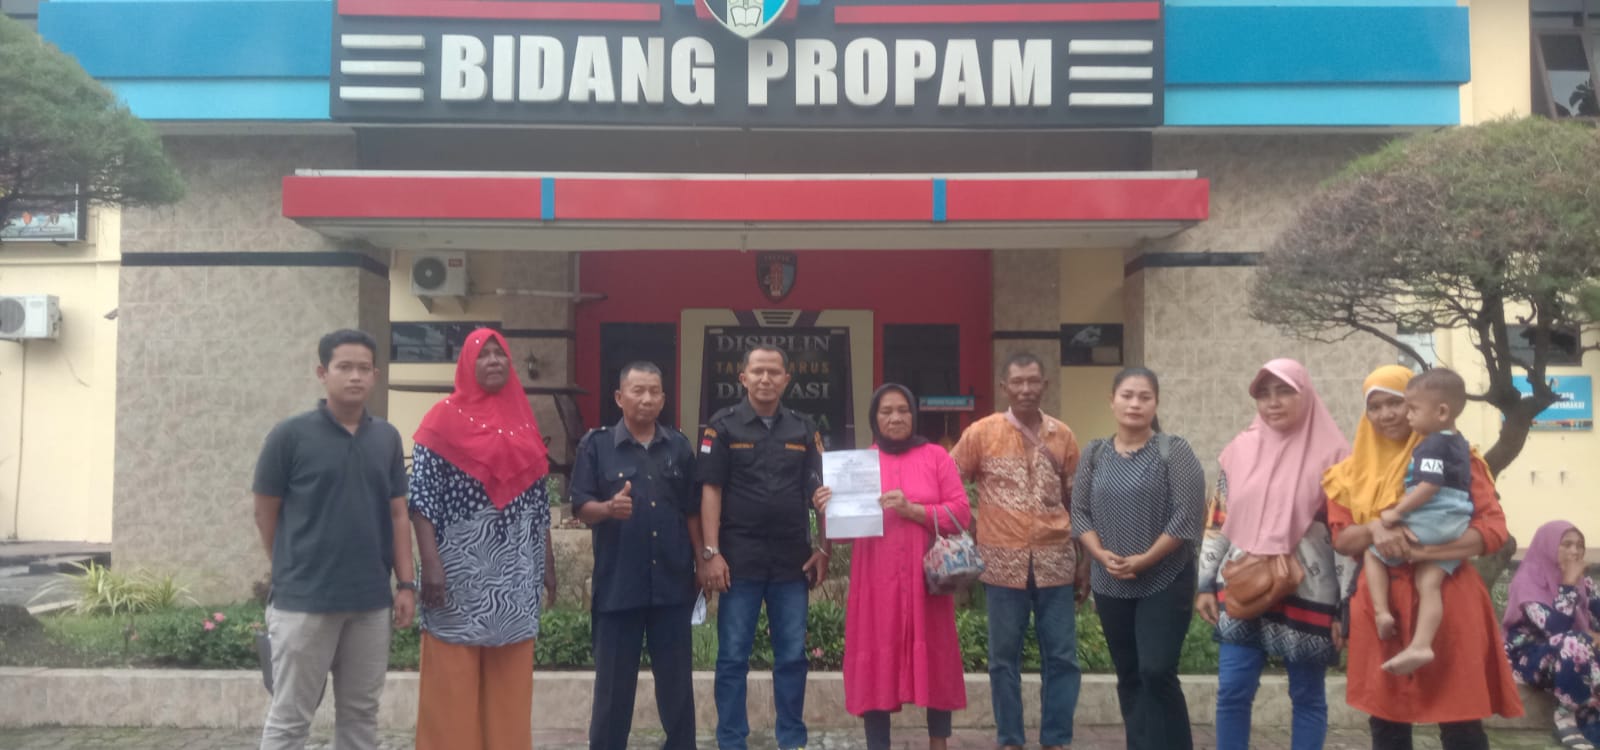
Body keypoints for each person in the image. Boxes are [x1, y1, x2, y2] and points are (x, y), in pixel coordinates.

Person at [1325, 364, 1522, 750]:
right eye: (1375, 406)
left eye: (1396, 403)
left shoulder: (1458, 458)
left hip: (1448, 598)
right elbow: (1343, 539)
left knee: (1461, 719)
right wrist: (1376, 529)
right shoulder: (1348, 475)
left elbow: (1493, 529)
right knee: (1386, 720)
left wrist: (1428, 551)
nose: (1386, 414)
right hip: (1382, 607)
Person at [252, 329, 415, 750]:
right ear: (323, 373)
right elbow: (265, 512)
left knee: (361, 716)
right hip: (304, 602)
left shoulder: (387, 438)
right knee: (290, 717)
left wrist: (406, 584)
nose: (355, 376)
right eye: (344, 367)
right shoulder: (290, 436)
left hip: (370, 603)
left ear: (375, 375)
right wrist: (288, 565)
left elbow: (398, 514)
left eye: (364, 368)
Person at [408, 329, 555, 750]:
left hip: (515, 573)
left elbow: (538, 502)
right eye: (483, 354)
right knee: (451, 685)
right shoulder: (440, 420)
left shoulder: (523, 421)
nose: (493, 360)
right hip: (458, 571)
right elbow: (421, 500)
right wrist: (430, 565)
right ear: (466, 365)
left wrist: (547, 564)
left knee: (510, 686)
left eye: (500, 353)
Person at [1195, 358, 1350, 750]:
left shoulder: (1336, 458)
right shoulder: (1240, 451)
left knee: (1307, 695)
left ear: (1306, 395)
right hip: (1243, 583)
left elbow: (1344, 539)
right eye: (1263, 394)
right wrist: (1205, 584)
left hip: (1310, 590)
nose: (1273, 402)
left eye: (1284, 392)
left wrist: (1345, 607)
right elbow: (1218, 521)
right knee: (1233, 689)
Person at [697, 345, 830, 750]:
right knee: (732, 657)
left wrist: (824, 547)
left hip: (792, 562)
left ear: (787, 379)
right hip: (739, 560)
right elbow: (711, 489)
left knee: (791, 657)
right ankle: (731, 740)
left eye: (774, 372)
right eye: (758, 371)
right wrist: (711, 553)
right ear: (743, 378)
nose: (766, 378)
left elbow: (823, 491)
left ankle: (792, 739)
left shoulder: (804, 428)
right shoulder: (722, 426)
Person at [949, 352, 1084, 750]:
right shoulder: (982, 433)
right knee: (1003, 659)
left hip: (1056, 562)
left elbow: (1078, 503)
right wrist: (971, 524)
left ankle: (1055, 739)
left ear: (1045, 385)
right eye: (1018, 382)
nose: (1026, 389)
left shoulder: (1063, 436)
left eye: (1033, 381)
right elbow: (950, 479)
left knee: (1062, 658)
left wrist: (1086, 562)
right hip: (1000, 564)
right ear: (1004, 387)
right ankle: (1010, 739)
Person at [1071, 367, 1206, 750]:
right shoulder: (1094, 453)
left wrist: (1145, 559)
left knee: (1157, 670)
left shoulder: (1174, 451)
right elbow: (1079, 512)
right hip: (1110, 580)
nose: (1135, 404)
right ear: (1111, 401)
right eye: (1127, 396)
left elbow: (1186, 516)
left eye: (1144, 397)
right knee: (1129, 674)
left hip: (1165, 578)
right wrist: (1099, 554)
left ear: (1156, 403)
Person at [829, 384, 969, 750]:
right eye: (886, 411)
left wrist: (914, 511)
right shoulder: (859, 465)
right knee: (875, 663)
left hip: (927, 583)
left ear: (914, 415)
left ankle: (938, 742)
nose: (895, 418)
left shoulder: (936, 457)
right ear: (874, 418)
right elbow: (841, 535)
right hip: (875, 583)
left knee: (936, 658)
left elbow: (961, 514)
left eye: (903, 410)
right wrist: (827, 506)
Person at [572, 361, 701, 750]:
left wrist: (702, 560)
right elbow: (581, 506)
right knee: (613, 691)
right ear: (619, 397)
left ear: (663, 399)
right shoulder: (595, 446)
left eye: (654, 392)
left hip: (672, 586)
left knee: (677, 688)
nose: (646, 399)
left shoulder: (678, 446)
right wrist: (608, 509)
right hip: (618, 586)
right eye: (638, 390)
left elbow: (691, 510)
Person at [1364, 368, 1476, 676]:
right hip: (1455, 522)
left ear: (1441, 412)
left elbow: (1429, 485)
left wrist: (1395, 514)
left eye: (1405, 406)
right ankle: (1421, 644)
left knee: (1373, 553)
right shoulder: (1459, 442)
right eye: (1375, 406)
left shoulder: (1430, 444)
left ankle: (1381, 611)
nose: (1403, 415)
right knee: (1429, 583)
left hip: (1434, 518)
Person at [1504, 521, 1600, 749]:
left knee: (1580, 642)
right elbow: (1556, 629)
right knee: (1576, 642)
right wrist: (1568, 584)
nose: (1575, 551)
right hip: (1532, 657)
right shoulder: (1528, 582)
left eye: (1579, 545)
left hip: (1575, 651)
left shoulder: (1584, 583)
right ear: (1547, 545)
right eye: (1566, 544)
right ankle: (1567, 716)